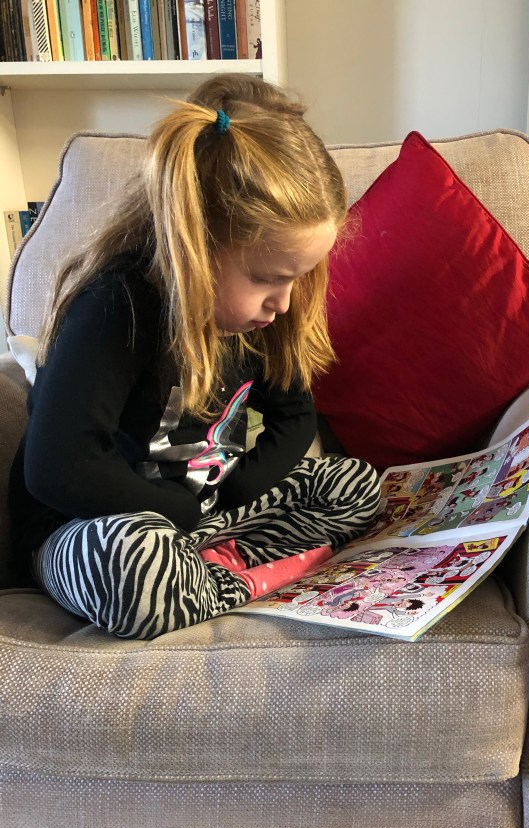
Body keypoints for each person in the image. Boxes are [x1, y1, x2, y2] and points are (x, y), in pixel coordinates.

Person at [8, 74, 381, 639]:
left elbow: (293, 417)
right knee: (136, 568)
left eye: (298, 278)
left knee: (356, 487)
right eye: (267, 278)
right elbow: (58, 468)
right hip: (94, 529)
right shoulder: (116, 306)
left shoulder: (261, 321)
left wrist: (236, 492)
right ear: (195, 245)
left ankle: (203, 572)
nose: (283, 303)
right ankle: (235, 581)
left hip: (205, 514)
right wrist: (179, 513)